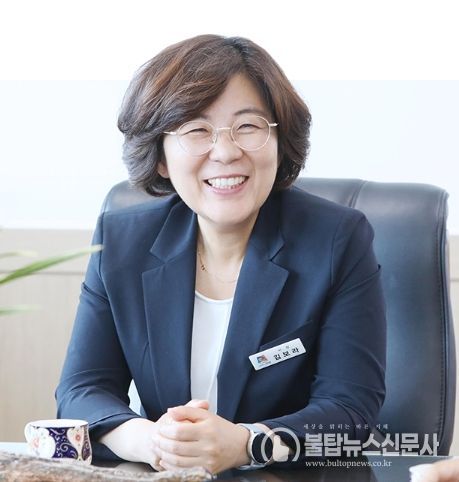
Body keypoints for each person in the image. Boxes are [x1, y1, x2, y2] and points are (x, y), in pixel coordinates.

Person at [56, 34, 386, 474]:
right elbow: (80, 391)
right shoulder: (122, 242)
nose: (226, 152)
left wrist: (246, 443)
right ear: (160, 156)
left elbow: (352, 411)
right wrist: (152, 441)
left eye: (248, 126)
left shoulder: (336, 240)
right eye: (196, 130)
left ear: (279, 140)